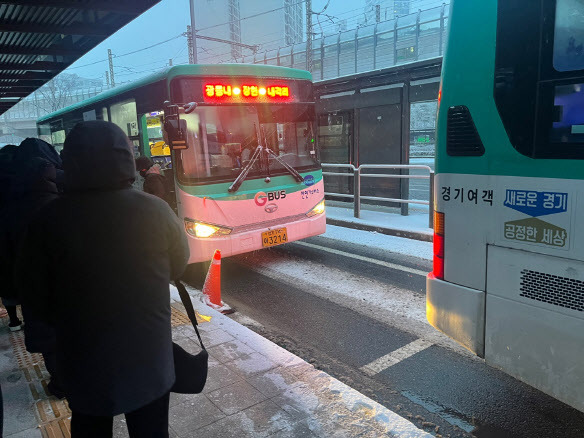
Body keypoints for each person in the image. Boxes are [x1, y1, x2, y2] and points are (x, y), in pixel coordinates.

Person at [16, 121, 189, 437]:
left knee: (89, 426)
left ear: (69, 161)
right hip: (148, 354)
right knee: (151, 430)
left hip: (82, 358)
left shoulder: (48, 219)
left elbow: (35, 295)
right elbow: (178, 268)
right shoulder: (156, 210)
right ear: (125, 156)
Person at [0, 139, 64, 395]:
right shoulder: (65, 200)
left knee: (48, 335)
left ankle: (60, 382)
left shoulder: (10, 207)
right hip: (71, 280)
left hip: (30, 285)